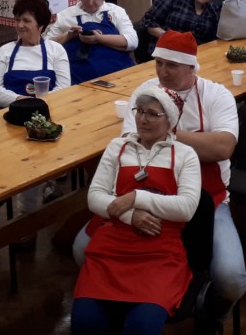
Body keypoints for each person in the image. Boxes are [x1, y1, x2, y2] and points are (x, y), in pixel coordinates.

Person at [75, 30, 246, 332]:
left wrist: (167, 132)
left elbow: (222, 147)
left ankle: (208, 313)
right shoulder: (145, 92)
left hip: (206, 201)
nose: (162, 72)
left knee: (231, 278)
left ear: (192, 67)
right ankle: (119, 304)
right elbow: (132, 146)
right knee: (81, 249)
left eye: (172, 65)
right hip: (138, 194)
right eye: (159, 63)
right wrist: (130, 211)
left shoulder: (216, 95)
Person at [72, 81, 201, 335]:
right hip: (112, 248)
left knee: (141, 327)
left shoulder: (185, 155)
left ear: (170, 121)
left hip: (159, 252)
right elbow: (95, 198)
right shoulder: (117, 147)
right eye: (140, 111)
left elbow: (186, 208)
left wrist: (135, 197)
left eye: (152, 114)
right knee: (86, 323)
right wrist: (131, 216)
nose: (143, 119)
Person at [46, 0, 137, 83]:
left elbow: (132, 42)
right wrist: (67, 36)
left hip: (120, 76)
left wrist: (100, 39)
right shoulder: (65, 16)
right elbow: (46, 45)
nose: (90, 3)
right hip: (79, 80)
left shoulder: (116, 12)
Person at [0, 0, 71, 108]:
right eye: (17, 20)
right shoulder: (4, 51)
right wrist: (20, 100)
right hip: (10, 112)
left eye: (26, 21)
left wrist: (38, 104)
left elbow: (64, 90)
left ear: (40, 25)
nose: (20, 25)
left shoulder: (56, 50)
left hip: (46, 112)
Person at [139, 0, 221, 48]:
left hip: (199, 53)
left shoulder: (215, 10)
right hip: (167, 48)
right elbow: (148, 21)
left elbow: (217, 39)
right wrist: (170, 37)